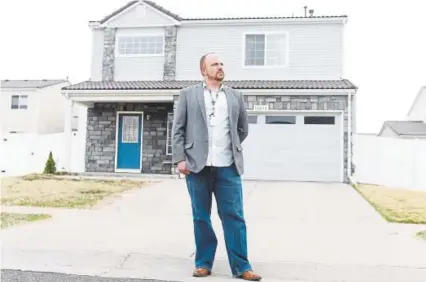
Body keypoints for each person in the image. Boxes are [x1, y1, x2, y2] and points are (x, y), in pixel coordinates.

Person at [172, 52, 262, 281]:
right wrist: (180, 158)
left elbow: (243, 129)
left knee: (234, 217)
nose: (220, 67)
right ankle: (203, 263)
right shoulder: (187, 95)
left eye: (222, 63)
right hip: (197, 167)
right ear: (204, 70)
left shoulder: (235, 96)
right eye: (215, 64)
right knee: (201, 217)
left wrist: (230, 147)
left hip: (228, 167)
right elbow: (178, 129)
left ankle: (242, 267)